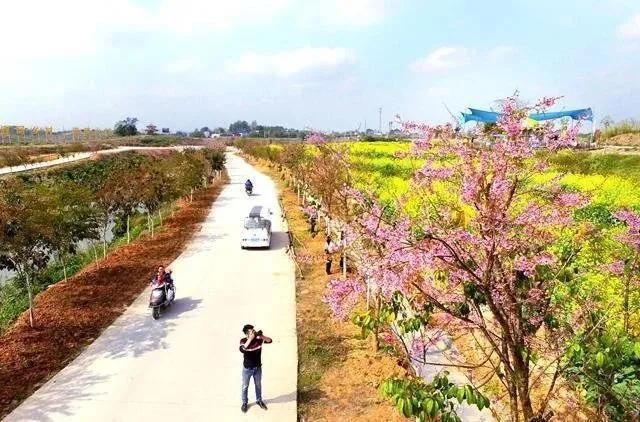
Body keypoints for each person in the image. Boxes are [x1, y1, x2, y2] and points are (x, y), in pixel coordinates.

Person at [239, 324, 273, 413]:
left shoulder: (258, 340)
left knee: (258, 385)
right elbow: (242, 349)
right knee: (245, 386)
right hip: (247, 369)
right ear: (247, 334)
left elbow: (270, 341)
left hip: (257, 368)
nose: (253, 332)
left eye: (253, 330)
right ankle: (244, 403)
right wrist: (250, 339)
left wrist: (261, 336)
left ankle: (259, 400)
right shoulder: (243, 341)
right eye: (251, 332)